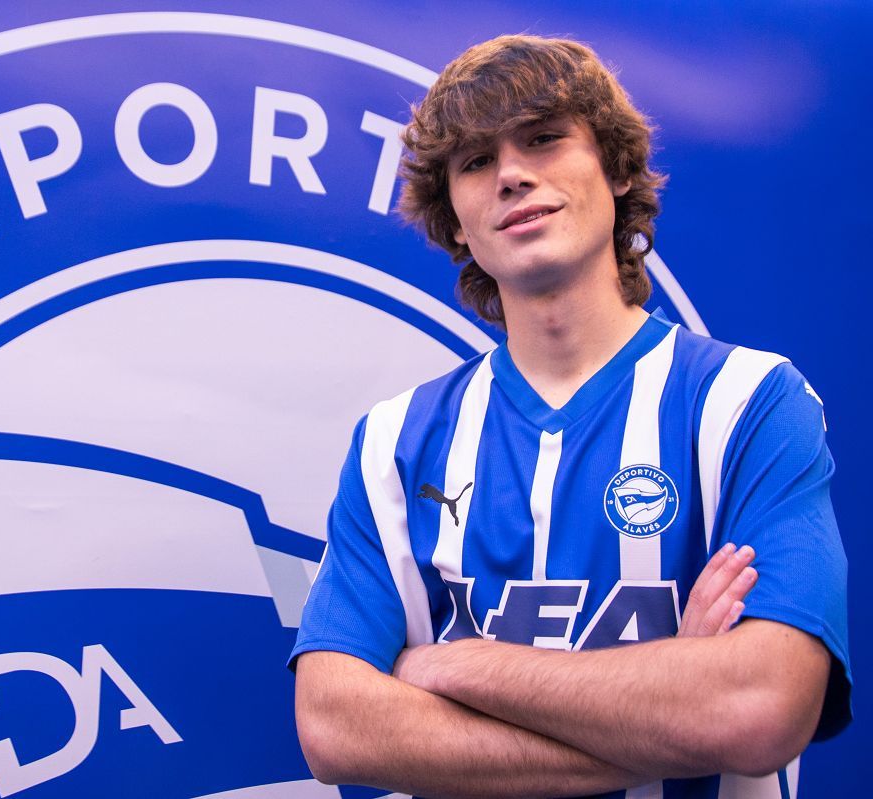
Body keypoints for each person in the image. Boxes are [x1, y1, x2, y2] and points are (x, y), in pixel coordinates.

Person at [289, 35, 850, 799]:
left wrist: (456, 664)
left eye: (545, 138)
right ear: (456, 221)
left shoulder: (750, 402)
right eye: (475, 161)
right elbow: (335, 726)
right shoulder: (395, 443)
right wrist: (673, 703)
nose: (512, 174)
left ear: (616, 169)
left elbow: (760, 707)